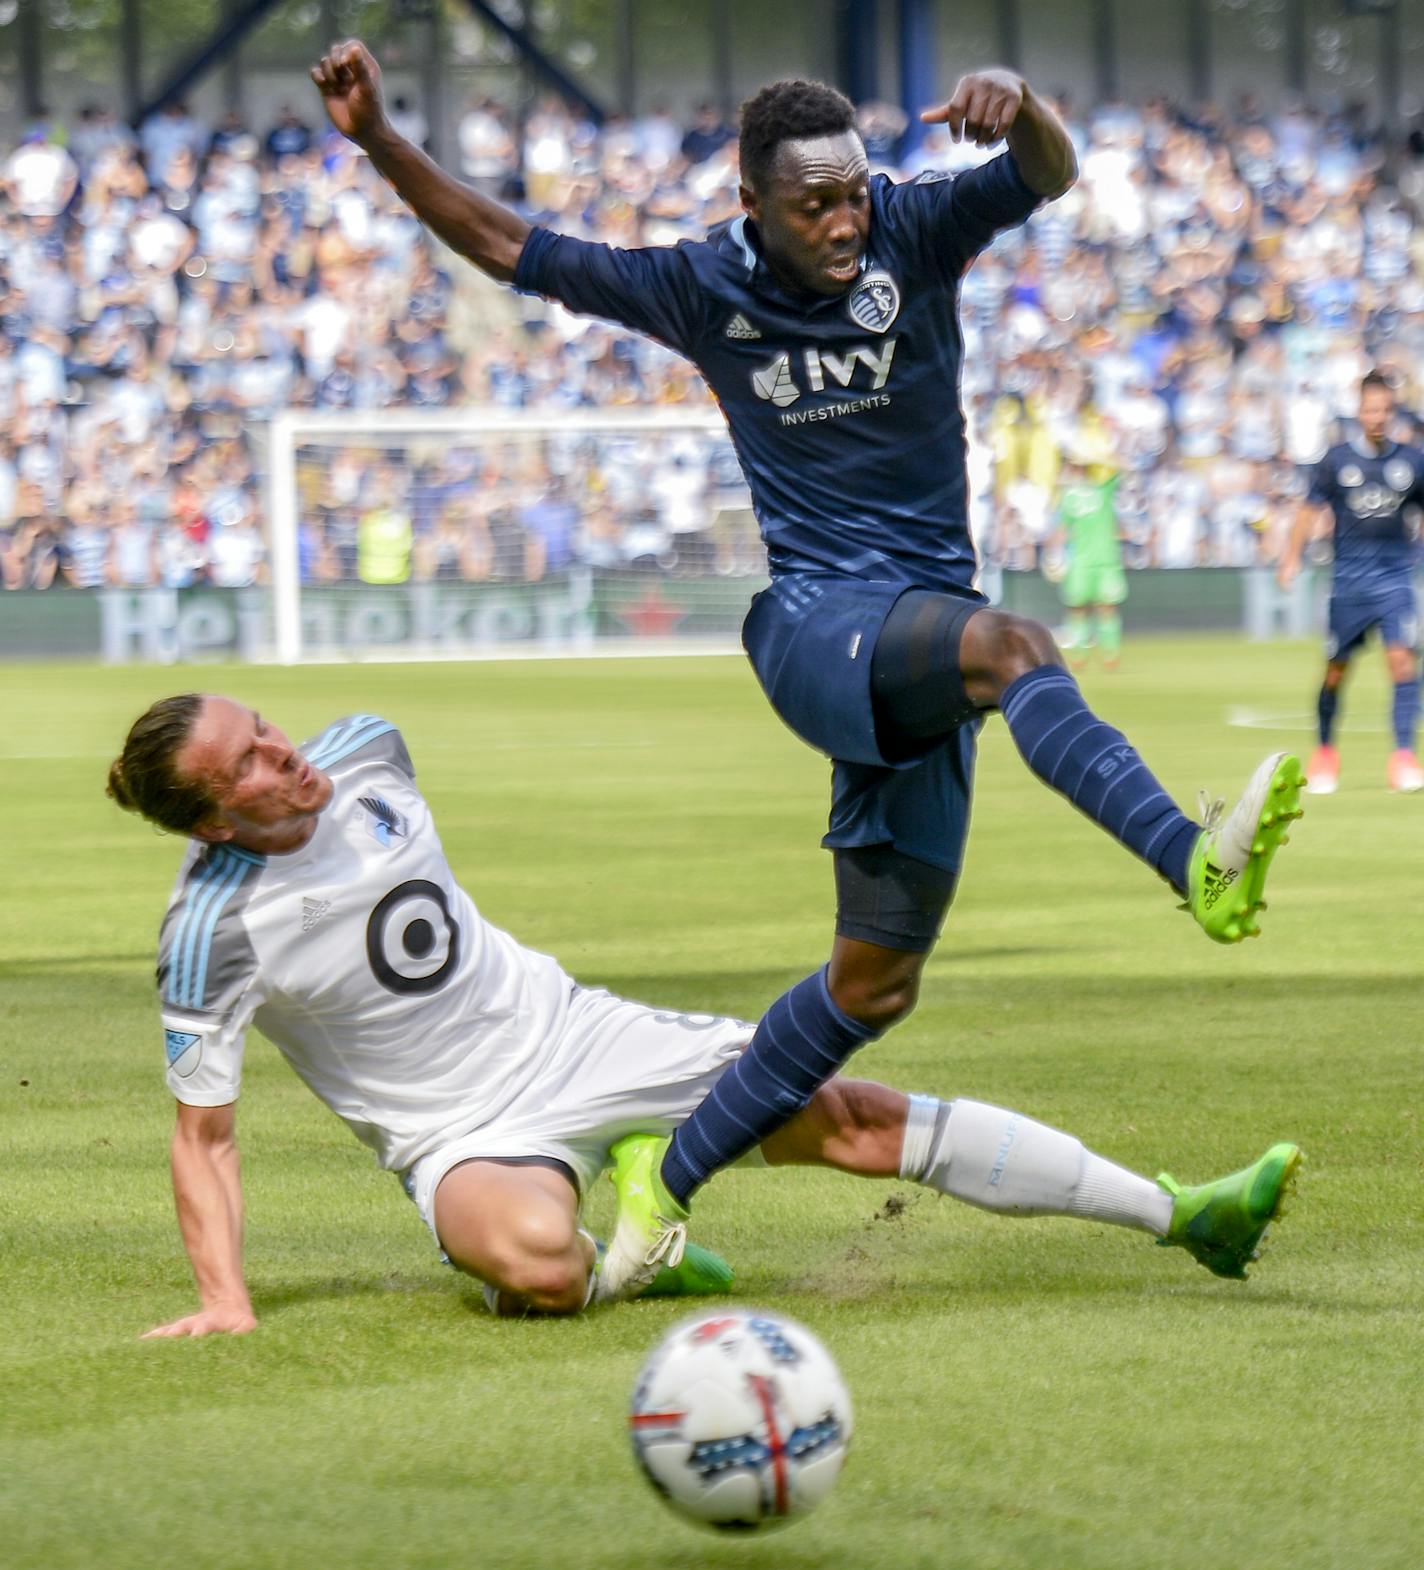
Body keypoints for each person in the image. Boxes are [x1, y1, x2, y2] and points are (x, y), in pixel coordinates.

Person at [311, 43, 1305, 1298]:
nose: (845, 222)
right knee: (1014, 648)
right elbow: (514, 248)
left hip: (916, 642)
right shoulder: (696, 285)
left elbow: (1047, 172)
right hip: (818, 624)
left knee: (870, 984)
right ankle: (1189, 861)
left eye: (854, 194)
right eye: (813, 205)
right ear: (752, 208)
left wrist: (1024, 110)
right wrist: (377, 141)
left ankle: (661, 1187)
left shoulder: (915, 226)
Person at [108, 694, 1301, 1333]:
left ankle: (1180, 1214)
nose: (283, 754)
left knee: (842, 1116)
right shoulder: (212, 935)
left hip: (575, 1031)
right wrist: (225, 1298)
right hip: (455, 1133)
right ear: (214, 821)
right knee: (534, 1266)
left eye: (262, 726)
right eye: (248, 767)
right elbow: (199, 1136)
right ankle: (648, 1249)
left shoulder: (369, 751)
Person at [1278, 371, 1424, 795]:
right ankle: (1325, 752)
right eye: (1370, 409)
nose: (1378, 417)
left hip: (1394, 579)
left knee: (1402, 661)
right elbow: (1308, 511)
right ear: (1359, 412)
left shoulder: (1411, 460)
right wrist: (1291, 558)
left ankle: (1403, 756)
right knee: (1336, 671)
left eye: (1385, 410)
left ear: (1392, 412)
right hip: (1349, 584)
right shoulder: (1336, 460)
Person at [1051, 456, 1126, 670]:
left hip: (1099, 560)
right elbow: (1063, 529)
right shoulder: (1074, 495)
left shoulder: (1101, 490)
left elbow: (1061, 530)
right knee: (1086, 608)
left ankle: (1107, 654)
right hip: (1090, 560)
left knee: (1096, 608)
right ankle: (1081, 655)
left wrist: (1053, 554)